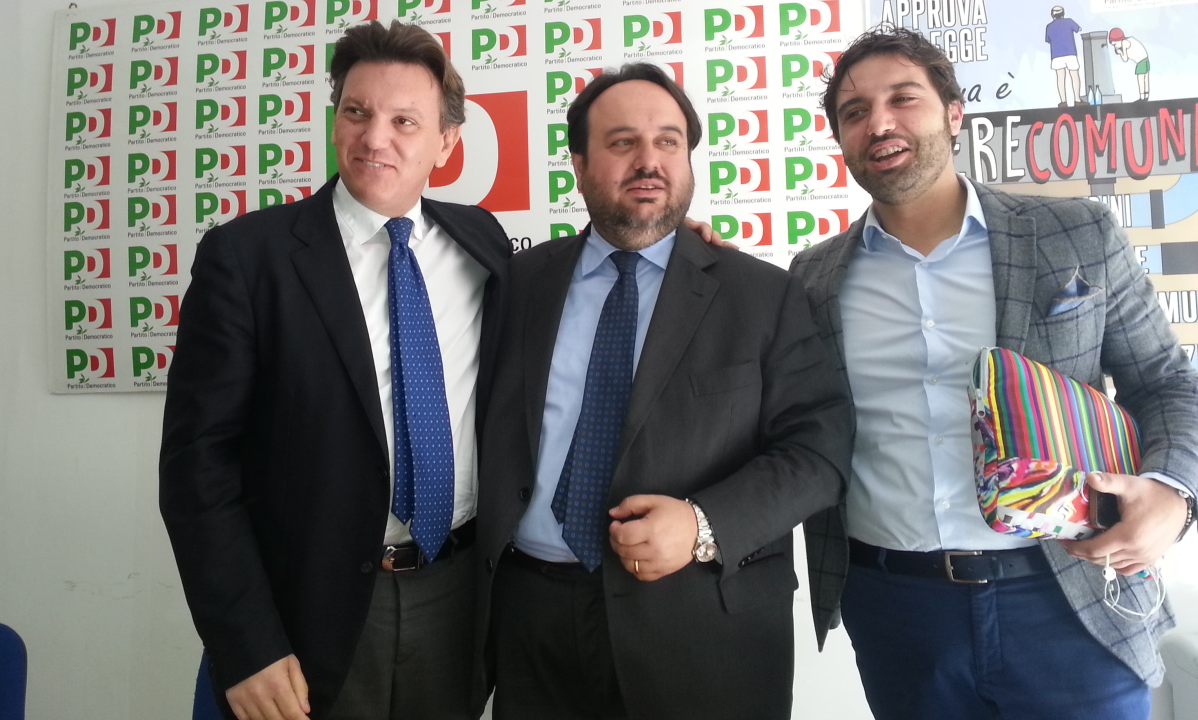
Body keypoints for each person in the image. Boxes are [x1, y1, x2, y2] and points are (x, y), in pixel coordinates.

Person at [791, 26, 1198, 720]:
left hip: (1070, 595)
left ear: (954, 113)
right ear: (841, 140)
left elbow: (1165, 381)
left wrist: (1174, 492)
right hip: (898, 610)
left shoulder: (1077, 233)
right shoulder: (812, 278)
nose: (879, 123)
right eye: (855, 112)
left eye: (903, 98)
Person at [473, 62, 853, 720]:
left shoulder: (761, 295)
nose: (649, 161)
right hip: (531, 626)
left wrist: (705, 524)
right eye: (622, 142)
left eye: (668, 141)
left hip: (703, 630)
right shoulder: (517, 282)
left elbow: (820, 451)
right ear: (579, 165)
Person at [159, 20, 511, 720]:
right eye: (356, 111)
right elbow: (196, 468)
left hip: (459, 598)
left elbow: (573, 286)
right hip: (310, 612)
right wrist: (245, 644)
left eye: (404, 120)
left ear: (446, 143)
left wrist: (675, 245)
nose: (374, 137)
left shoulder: (484, 242)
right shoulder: (248, 257)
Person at [1045, 6, 1085, 107]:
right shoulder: (1069, 21)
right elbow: (1079, 29)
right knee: (1074, 75)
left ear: (1052, 15)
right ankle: (1077, 100)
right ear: (1063, 14)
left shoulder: (1049, 26)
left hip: (1056, 55)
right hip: (1070, 52)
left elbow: (1048, 40)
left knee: (1060, 78)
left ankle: (1063, 102)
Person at [1109, 27, 1151, 101]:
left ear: (1118, 40)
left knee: (1141, 79)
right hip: (1145, 59)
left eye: (1115, 44)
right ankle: (1146, 96)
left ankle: (1142, 98)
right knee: (1146, 79)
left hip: (1141, 61)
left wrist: (1120, 52)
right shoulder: (1128, 40)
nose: (1115, 47)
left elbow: (1125, 59)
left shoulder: (1124, 43)